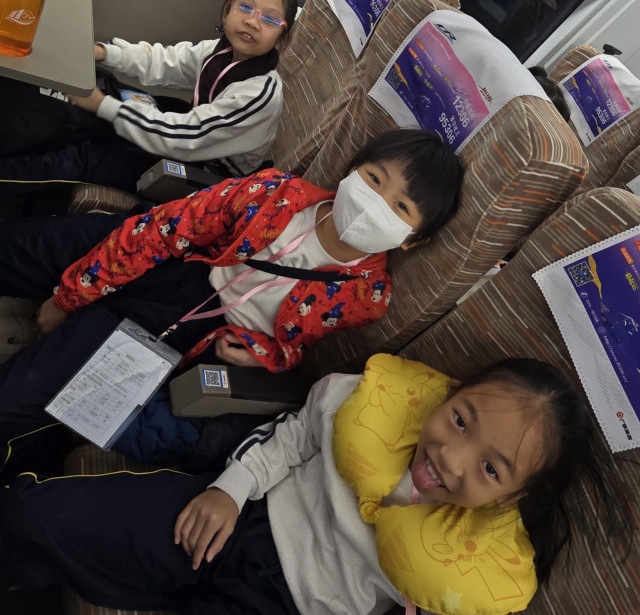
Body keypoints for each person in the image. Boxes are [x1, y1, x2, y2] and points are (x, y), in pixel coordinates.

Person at [0, 356, 632, 615]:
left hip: (288, 606)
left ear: (512, 497)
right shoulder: (374, 407)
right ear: (449, 394)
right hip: (242, 516)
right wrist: (230, 488)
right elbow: (295, 435)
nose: (451, 457)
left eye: (492, 469)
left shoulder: (479, 563)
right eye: (461, 419)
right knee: (42, 518)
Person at [0, 128, 464, 474]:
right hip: (178, 264)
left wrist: (265, 354)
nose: (375, 203)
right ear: (351, 172)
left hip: (190, 330)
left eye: (400, 207)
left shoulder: (366, 298)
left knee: (24, 393)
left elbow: (296, 345)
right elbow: (163, 230)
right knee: (20, 248)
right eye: (374, 179)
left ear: (412, 240)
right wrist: (70, 297)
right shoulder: (274, 194)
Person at [0, 0, 297, 197]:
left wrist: (104, 105)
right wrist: (105, 53)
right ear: (228, 9)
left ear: (281, 39)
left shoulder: (259, 94)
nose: (252, 21)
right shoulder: (218, 51)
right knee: (100, 88)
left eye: (270, 20)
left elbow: (184, 137)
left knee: (85, 156)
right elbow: (163, 61)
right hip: (186, 133)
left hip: (204, 176)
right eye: (246, 7)